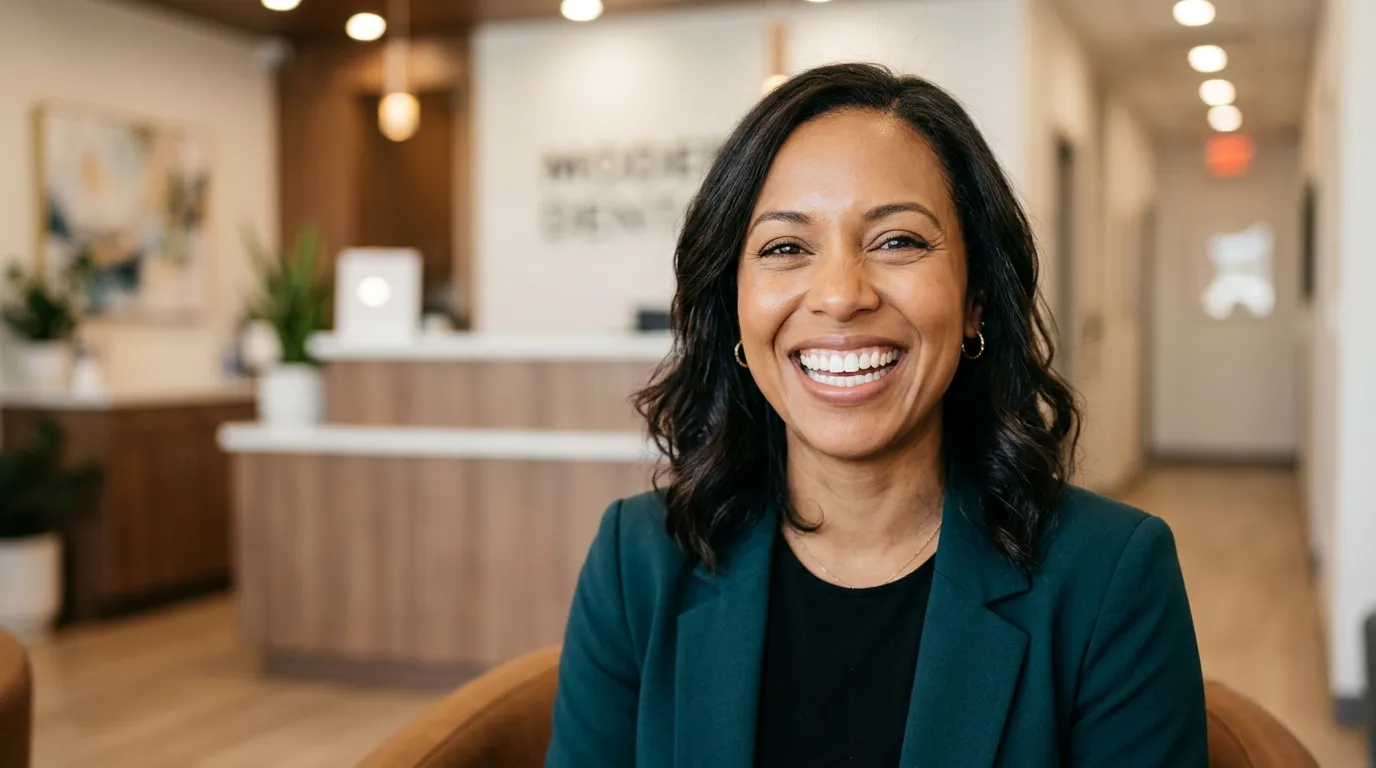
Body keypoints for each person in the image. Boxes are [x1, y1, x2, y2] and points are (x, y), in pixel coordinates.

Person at [546, 62, 1207, 767]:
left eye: (897, 241)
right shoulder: (636, 565)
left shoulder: (1110, 578)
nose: (840, 295)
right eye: (785, 248)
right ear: (733, 306)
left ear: (976, 296)